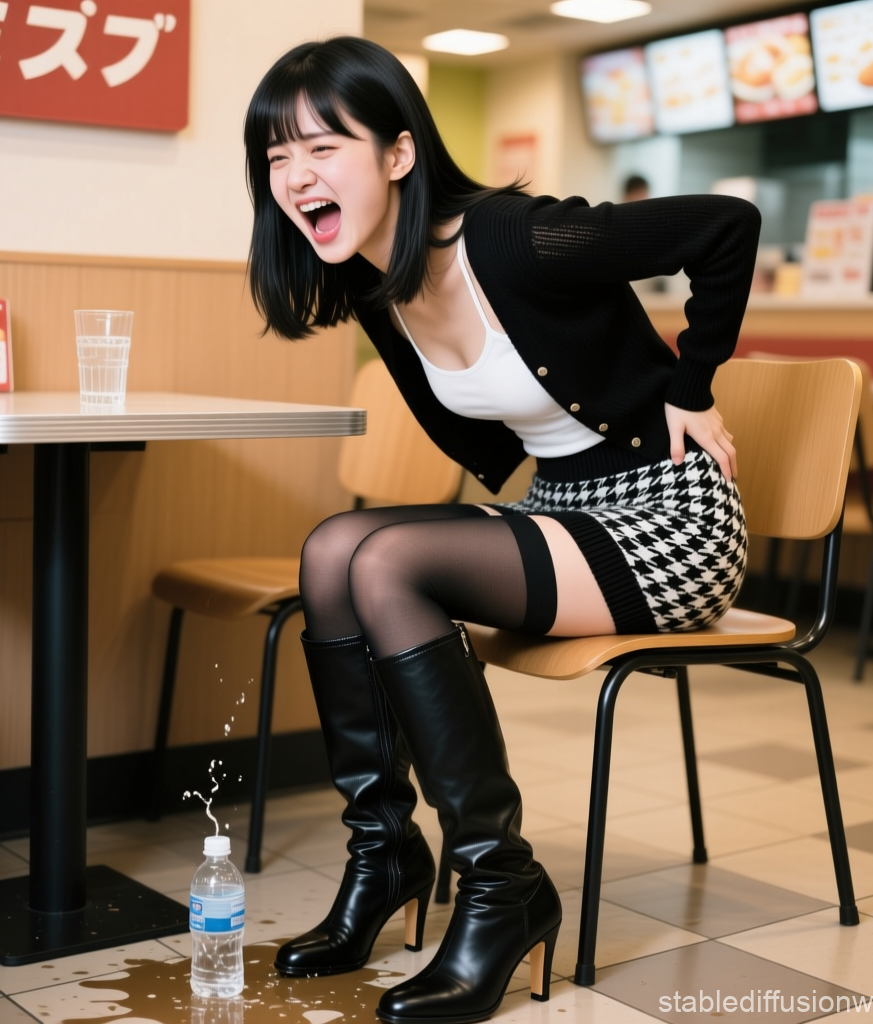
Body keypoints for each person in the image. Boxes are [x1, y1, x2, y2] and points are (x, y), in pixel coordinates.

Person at [244, 36, 758, 1024]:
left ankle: (497, 886)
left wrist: (691, 385)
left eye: (320, 147)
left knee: (388, 558)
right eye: (275, 157)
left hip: (670, 516)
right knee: (329, 549)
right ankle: (384, 850)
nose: (295, 175)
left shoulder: (515, 237)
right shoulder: (369, 278)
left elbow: (725, 226)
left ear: (398, 155)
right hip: (563, 512)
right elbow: (470, 424)